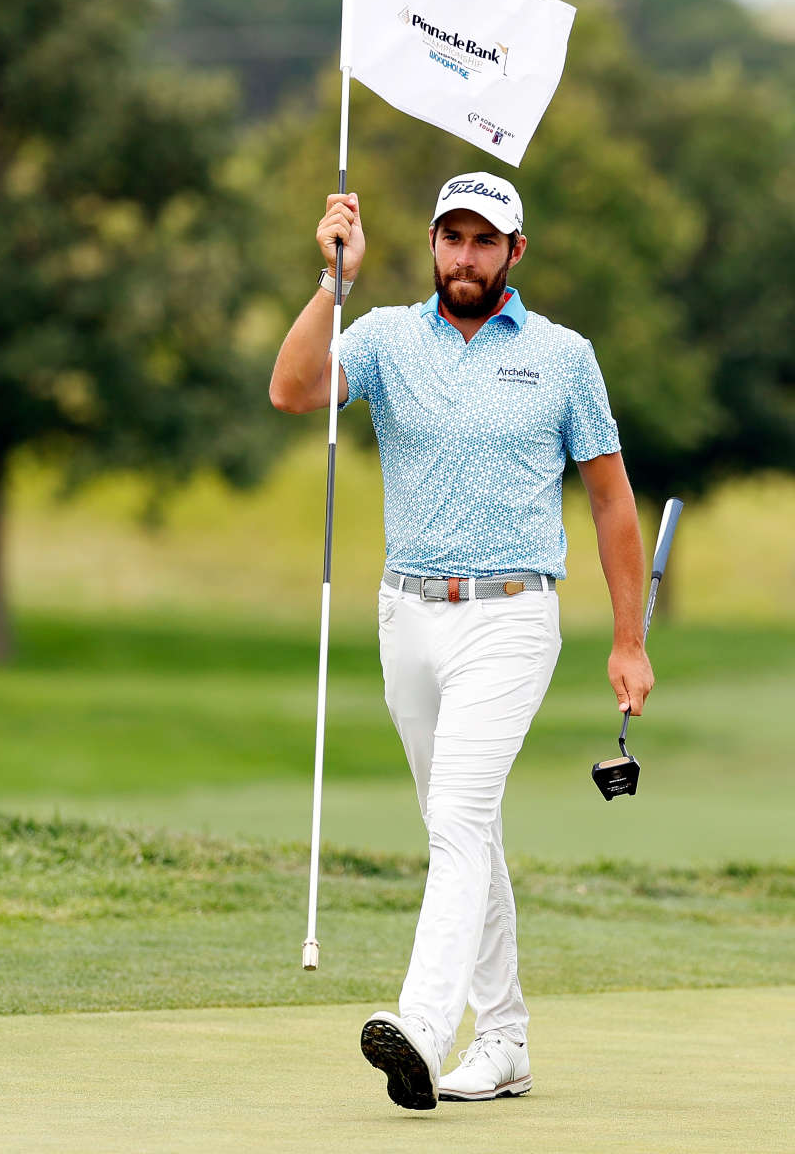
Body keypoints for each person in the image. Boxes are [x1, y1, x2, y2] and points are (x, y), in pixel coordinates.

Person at [269, 171, 654, 1110]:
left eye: (486, 241)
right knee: (462, 828)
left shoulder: (564, 357)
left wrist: (629, 640)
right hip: (408, 615)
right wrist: (334, 285)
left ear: (516, 252)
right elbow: (293, 390)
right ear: (433, 244)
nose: (466, 256)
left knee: (456, 819)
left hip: (512, 614)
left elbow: (610, 501)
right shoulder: (391, 337)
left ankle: (425, 1028)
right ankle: (508, 1040)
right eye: (453, 238)